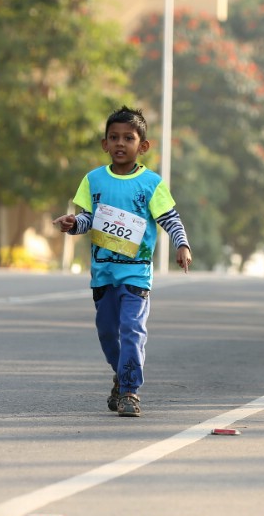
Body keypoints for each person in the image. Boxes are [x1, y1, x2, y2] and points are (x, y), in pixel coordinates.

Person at [52, 106, 193, 418]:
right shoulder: (93, 180)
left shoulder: (151, 183)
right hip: (103, 275)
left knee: (132, 328)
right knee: (107, 332)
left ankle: (130, 390)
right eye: (113, 137)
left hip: (136, 276)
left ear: (141, 146)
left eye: (128, 138)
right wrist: (72, 223)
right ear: (104, 144)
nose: (120, 143)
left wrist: (181, 244)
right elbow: (88, 219)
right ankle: (120, 374)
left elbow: (170, 218)